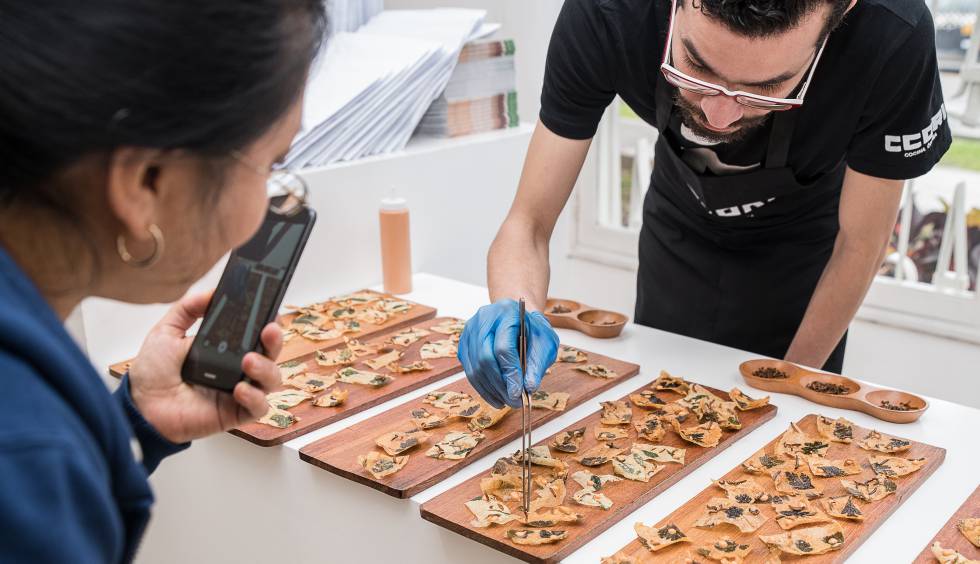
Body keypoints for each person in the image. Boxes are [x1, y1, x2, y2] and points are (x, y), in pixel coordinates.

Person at [459, 0, 951, 409]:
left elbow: (861, 244)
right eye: (696, 67)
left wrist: (791, 390)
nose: (718, 116)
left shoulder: (893, 36)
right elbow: (528, 222)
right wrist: (514, 310)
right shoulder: (609, 11)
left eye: (765, 89)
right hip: (679, 221)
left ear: (842, 13)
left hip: (805, 250)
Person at [0, 1, 325, 561]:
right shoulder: (26, 462)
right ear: (145, 181)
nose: (272, 199)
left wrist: (134, 423)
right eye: (271, 166)